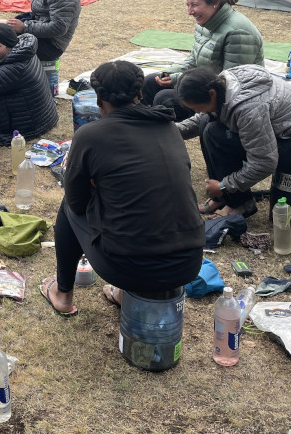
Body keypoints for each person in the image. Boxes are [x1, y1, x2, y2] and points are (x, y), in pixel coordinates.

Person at [39, 61, 204, 315]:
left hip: (129, 268)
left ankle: (63, 294)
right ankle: (122, 293)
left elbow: (78, 203)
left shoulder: (90, 135)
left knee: (68, 208)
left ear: (98, 99)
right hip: (189, 263)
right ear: (140, 94)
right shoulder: (168, 127)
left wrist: (96, 187)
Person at [175, 65, 291, 218]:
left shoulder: (249, 109)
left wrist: (224, 185)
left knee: (216, 135)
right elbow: (201, 118)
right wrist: (170, 130)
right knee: (206, 123)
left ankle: (239, 204)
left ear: (212, 94)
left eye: (199, 107)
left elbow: (264, 162)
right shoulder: (221, 83)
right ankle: (223, 198)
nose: (197, 112)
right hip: (283, 138)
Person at [142, 0, 263, 120]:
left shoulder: (238, 33)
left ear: (215, 2)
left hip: (232, 95)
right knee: (150, 81)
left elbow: (231, 82)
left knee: (166, 99)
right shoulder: (205, 23)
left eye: (194, 5)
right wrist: (171, 73)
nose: (189, 11)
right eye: (188, 5)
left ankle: (166, 138)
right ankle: (143, 130)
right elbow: (194, 60)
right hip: (207, 83)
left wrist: (178, 79)